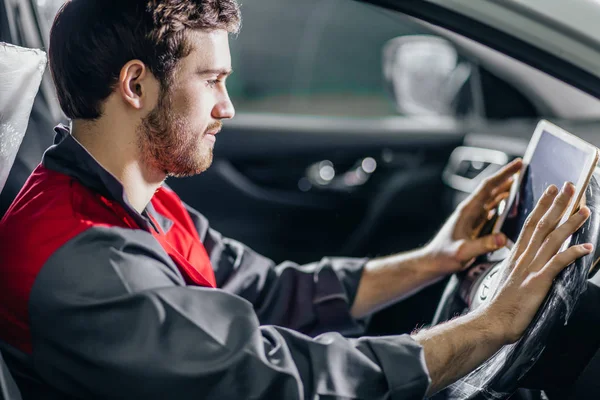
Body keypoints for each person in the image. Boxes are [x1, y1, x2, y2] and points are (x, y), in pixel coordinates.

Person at [0, 1, 593, 399]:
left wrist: (436, 258)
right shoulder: (88, 266)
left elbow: (274, 292)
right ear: (136, 85)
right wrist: (488, 328)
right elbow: (278, 379)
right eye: (212, 81)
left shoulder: (130, 199)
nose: (226, 107)